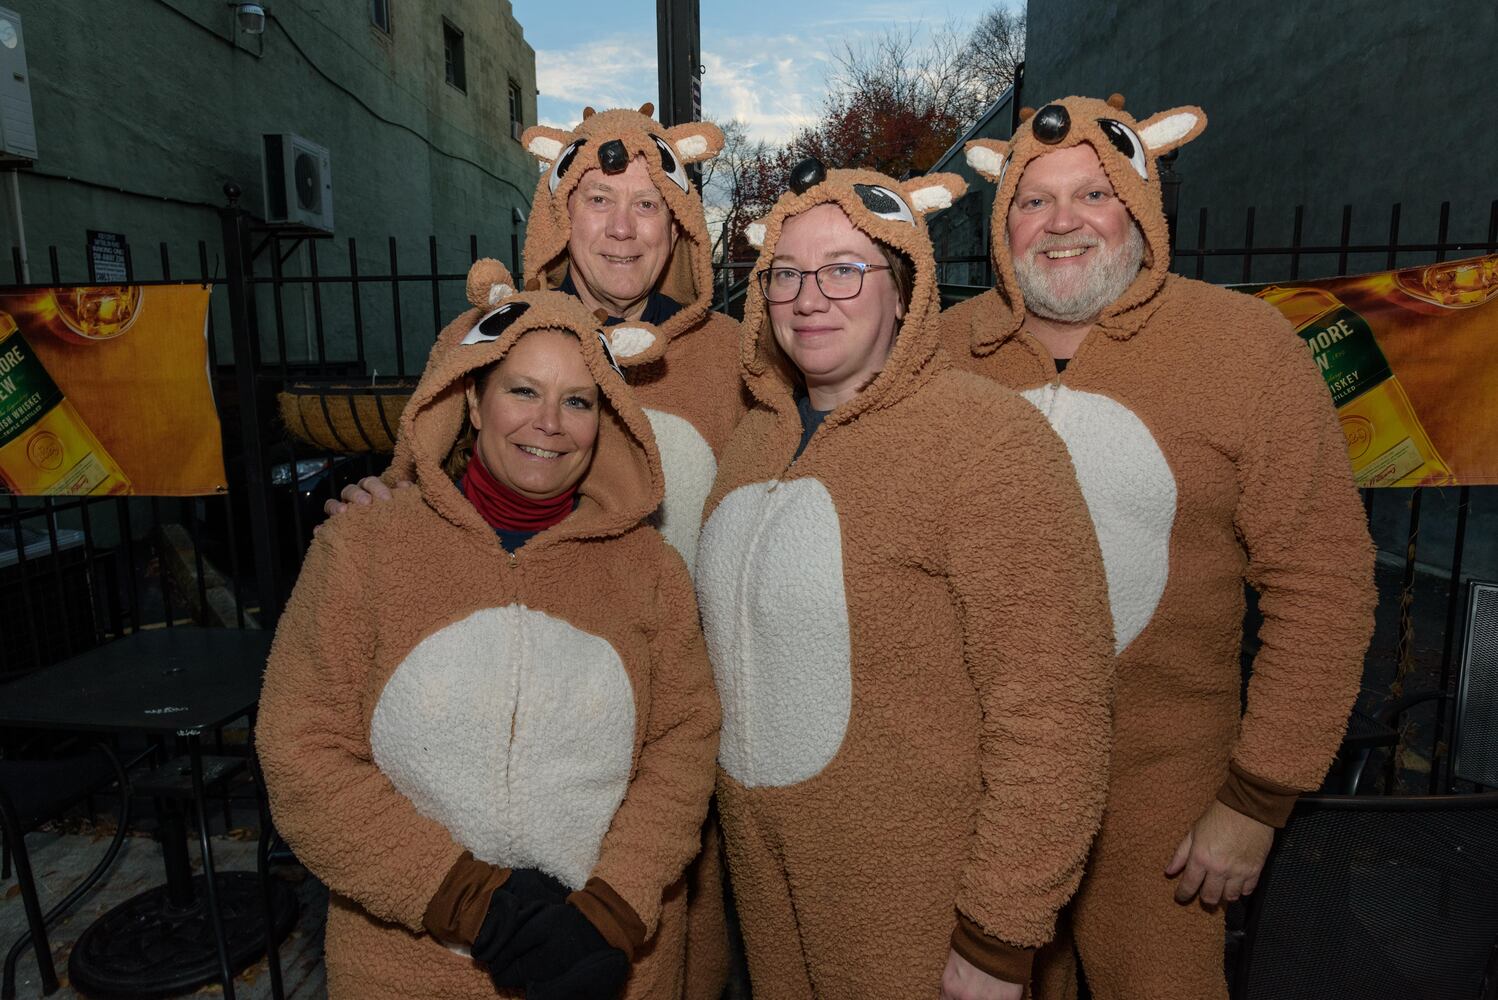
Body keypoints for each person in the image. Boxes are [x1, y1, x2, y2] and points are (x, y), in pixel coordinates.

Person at [941, 94, 1377, 1000]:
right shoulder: (942, 354)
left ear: (1143, 205)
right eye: (1032, 199)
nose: (1061, 223)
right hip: (970, 797)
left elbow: (1324, 585)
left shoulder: (1246, 349)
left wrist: (1258, 799)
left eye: (1094, 194)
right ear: (1001, 221)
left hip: (1168, 803)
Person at [323, 104, 746, 1000]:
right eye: (598, 198)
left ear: (680, 220)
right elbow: (419, 490)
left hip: (680, 730)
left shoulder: (736, 359)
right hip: (492, 727)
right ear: (560, 209)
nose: (623, 228)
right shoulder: (478, 337)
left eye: (647, 203)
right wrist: (375, 500)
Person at [693, 159, 1117, 1000]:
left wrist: (1000, 934)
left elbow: (1055, 707)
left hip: (922, 897)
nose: (810, 298)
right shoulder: (751, 444)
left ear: (904, 289)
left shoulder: (986, 440)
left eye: (846, 270)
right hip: (768, 884)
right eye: (786, 274)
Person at [258, 261, 720, 1000]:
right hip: (407, 970)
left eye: (578, 401)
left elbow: (684, 745)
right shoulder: (363, 547)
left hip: (606, 961)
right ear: (472, 400)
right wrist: (473, 903)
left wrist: (611, 908)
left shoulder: (650, 571)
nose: (549, 424)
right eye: (523, 391)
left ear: (607, 420)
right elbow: (301, 750)